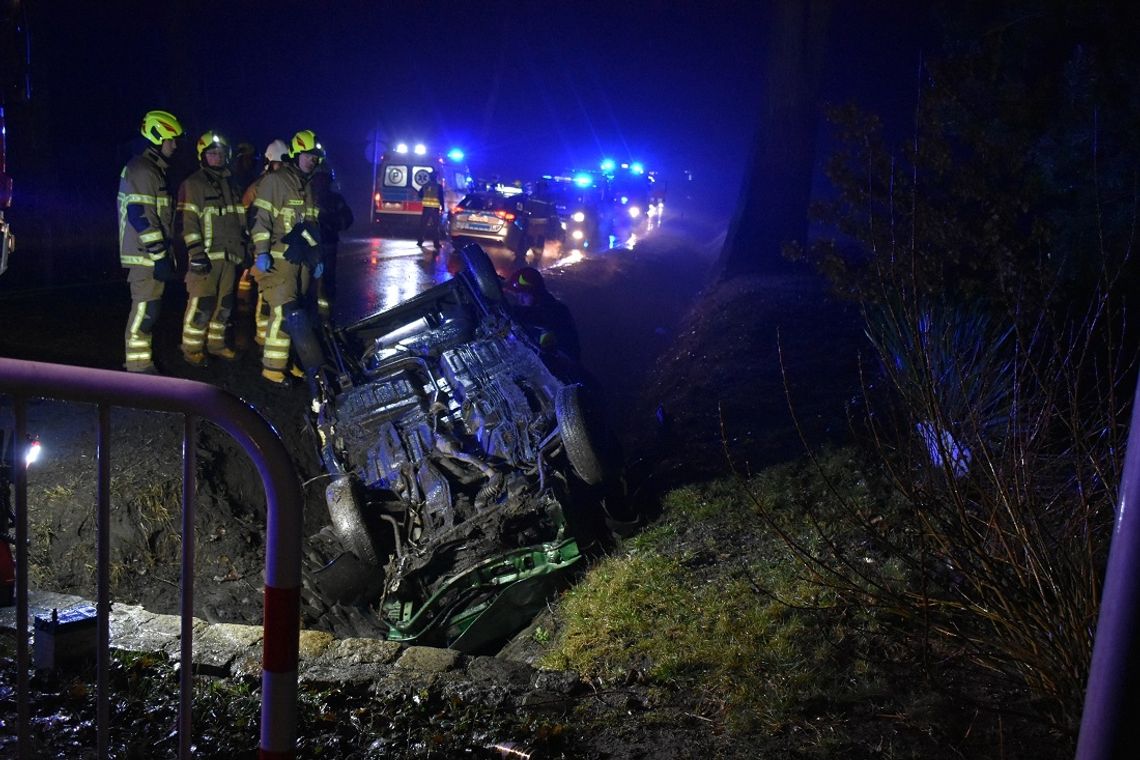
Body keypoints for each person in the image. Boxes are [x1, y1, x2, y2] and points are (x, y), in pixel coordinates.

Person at [249, 129, 324, 385]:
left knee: (297, 316)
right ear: (295, 154)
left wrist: (316, 256)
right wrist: (261, 252)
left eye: (314, 157)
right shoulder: (276, 181)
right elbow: (261, 219)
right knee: (283, 313)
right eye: (307, 156)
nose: (311, 161)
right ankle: (272, 368)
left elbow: (312, 226)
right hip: (279, 261)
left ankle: (288, 363)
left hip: (301, 262)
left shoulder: (308, 187)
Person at [117, 109, 183, 374]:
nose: (175, 145)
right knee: (145, 309)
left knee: (150, 309)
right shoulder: (143, 170)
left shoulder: (152, 170)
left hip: (149, 254)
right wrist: (159, 254)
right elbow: (141, 216)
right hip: (145, 256)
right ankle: (137, 366)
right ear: (157, 137)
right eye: (171, 139)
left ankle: (141, 363)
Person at [176, 131, 246, 366]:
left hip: (231, 256)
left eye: (221, 153)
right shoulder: (193, 184)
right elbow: (188, 222)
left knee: (225, 305)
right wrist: (196, 253)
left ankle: (216, 345)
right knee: (202, 304)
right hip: (205, 257)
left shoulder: (232, 184)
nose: (217, 157)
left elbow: (240, 219)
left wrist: (245, 247)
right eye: (212, 153)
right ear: (202, 156)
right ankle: (192, 349)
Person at [240, 138, 289, 342]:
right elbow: (245, 212)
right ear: (270, 163)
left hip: (279, 247)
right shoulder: (258, 186)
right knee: (265, 292)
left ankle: (265, 331)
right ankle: (261, 335)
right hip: (260, 246)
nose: (281, 168)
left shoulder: (287, 183)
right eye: (278, 164)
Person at [504, 266, 581, 362]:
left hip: (567, 373)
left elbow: (538, 316)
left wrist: (505, 309)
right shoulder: (537, 313)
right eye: (518, 296)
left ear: (536, 292)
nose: (520, 300)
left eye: (524, 295)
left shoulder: (556, 310)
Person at [309, 163, 353, 322]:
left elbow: (347, 219)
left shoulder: (335, 199)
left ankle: (325, 319)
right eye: (318, 178)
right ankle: (312, 317)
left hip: (327, 245)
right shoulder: (304, 196)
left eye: (323, 178)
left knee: (325, 282)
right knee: (304, 282)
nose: (320, 182)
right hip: (308, 247)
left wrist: (331, 222)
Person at [415, 168, 444, 250]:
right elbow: (441, 198)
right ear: (435, 178)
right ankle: (436, 244)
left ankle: (420, 241)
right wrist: (443, 207)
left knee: (423, 225)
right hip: (435, 209)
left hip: (426, 208)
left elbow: (420, 194)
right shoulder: (438, 186)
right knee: (435, 226)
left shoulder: (425, 185)